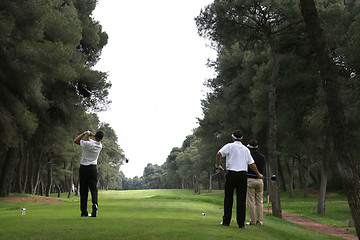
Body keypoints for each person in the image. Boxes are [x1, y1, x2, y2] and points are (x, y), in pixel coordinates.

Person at [216, 130, 263, 228]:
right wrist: (258, 174)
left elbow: (219, 154)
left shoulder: (229, 146)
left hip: (232, 174)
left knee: (228, 198)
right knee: (241, 199)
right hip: (242, 175)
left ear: (233, 138)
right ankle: (241, 224)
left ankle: (226, 221)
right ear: (241, 139)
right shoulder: (246, 149)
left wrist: (218, 165)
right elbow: (252, 164)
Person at [73, 130, 104, 217]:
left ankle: (84, 212)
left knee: (84, 190)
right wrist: (92, 135)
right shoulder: (99, 146)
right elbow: (90, 140)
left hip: (84, 168)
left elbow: (75, 140)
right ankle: (95, 207)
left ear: (95, 136)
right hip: (93, 169)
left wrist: (84, 133)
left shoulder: (88, 144)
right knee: (93, 189)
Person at [246, 140, 266, 225]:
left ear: (250, 148)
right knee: (259, 202)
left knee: (251, 202)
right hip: (260, 180)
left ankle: (253, 221)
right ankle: (260, 221)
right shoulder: (262, 156)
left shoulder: (248, 156)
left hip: (250, 180)